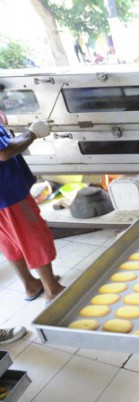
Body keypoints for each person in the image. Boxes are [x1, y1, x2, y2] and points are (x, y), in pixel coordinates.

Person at [0, 107, 65, 303]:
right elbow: (4, 152)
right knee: (33, 236)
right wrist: (32, 133)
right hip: (10, 194)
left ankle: (31, 284)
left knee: (10, 241)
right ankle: (52, 290)